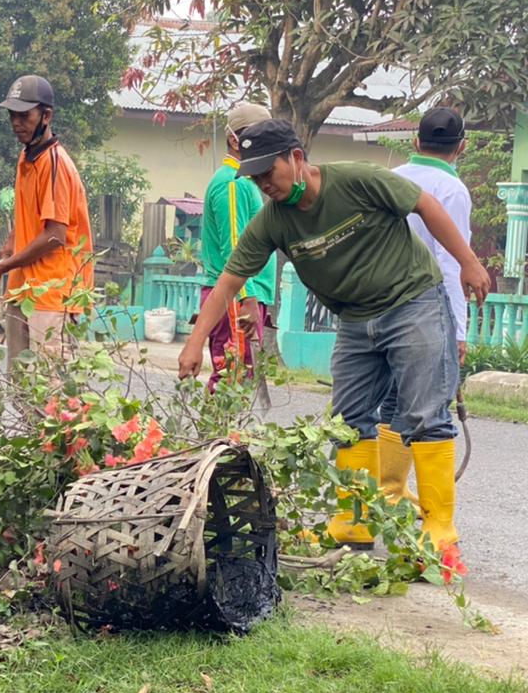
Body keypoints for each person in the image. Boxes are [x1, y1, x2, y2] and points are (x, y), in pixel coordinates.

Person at [178, 119, 490, 553]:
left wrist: (469, 263)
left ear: (297, 158)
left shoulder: (357, 180)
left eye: (269, 171)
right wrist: (194, 343)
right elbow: (229, 280)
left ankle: (440, 532)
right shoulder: (273, 221)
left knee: (424, 416)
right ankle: (353, 524)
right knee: (348, 422)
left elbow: (427, 206)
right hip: (355, 320)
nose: (264, 183)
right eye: (256, 177)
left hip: (413, 302)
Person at [377, 107, 473, 505]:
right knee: (430, 407)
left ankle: (388, 492)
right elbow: (452, 263)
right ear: (462, 148)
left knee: (391, 400)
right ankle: (432, 512)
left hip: (379, 307)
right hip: (426, 310)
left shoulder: (391, 179)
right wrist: (459, 330)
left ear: (415, 142)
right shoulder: (452, 190)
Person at [0, 75, 93, 369]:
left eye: (24, 115)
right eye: (12, 115)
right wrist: (9, 245)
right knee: (21, 391)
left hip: (53, 293)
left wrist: (2, 267)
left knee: (53, 396)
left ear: (46, 115)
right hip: (22, 287)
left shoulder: (55, 162)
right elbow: (31, 214)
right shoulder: (26, 157)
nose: (16, 123)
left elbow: (55, 234)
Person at [198, 101, 277, 391]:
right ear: (235, 140)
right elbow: (235, 248)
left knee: (237, 379)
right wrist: (248, 298)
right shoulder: (234, 183)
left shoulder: (246, 181)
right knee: (231, 379)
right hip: (235, 298)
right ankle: (216, 437)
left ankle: (222, 436)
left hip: (240, 296)